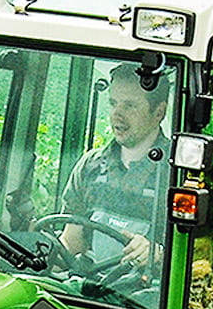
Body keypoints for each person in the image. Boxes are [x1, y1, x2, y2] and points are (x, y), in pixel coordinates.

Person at [59, 64, 172, 272]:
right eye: (113, 103)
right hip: (87, 292)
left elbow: (200, 265)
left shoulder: (181, 177)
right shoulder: (90, 166)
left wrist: (158, 254)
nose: (117, 115)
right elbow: (71, 241)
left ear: (159, 112)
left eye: (129, 106)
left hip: (147, 299)